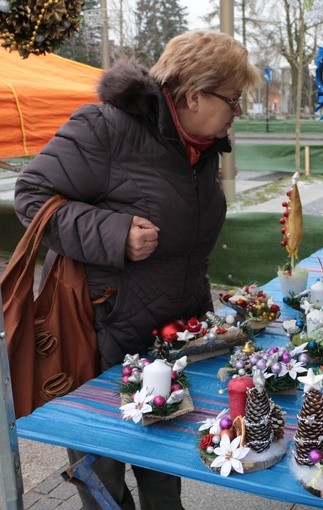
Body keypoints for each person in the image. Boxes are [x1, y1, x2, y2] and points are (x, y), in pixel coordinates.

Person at [13, 30, 259, 510]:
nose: (237, 111)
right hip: (102, 340)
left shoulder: (201, 151)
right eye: (233, 99)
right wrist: (114, 233)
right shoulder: (105, 128)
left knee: (164, 472)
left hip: (169, 344)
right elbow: (31, 196)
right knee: (102, 481)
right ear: (193, 95)